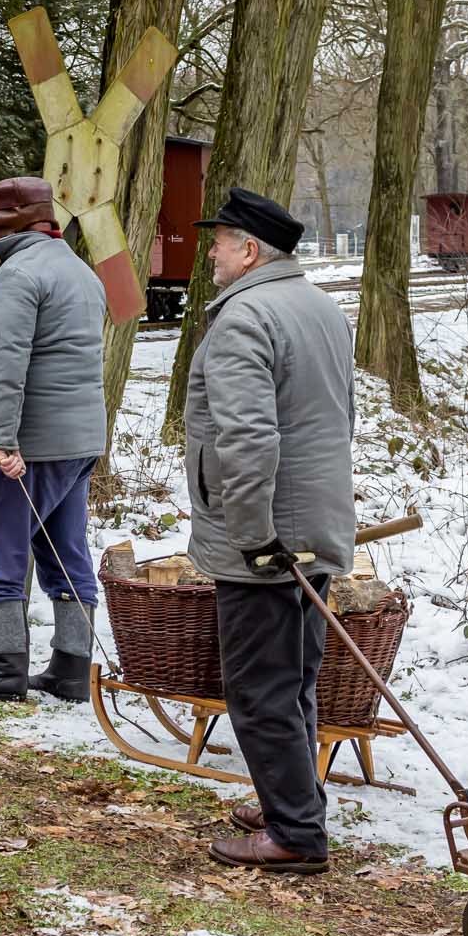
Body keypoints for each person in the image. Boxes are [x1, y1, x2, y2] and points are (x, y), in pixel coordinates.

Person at [183, 184, 356, 873]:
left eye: (218, 241)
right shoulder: (319, 307)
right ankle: (295, 797)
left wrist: (252, 534)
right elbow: (339, 419)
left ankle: (295, 832)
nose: (211, 252)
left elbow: (248, 440)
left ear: (249, 249)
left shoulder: (244, 318)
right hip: (316, 519)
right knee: (296, 674)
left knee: (258, 685)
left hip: (266, 532)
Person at [0, 175, 107, 702]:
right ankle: (72, 668)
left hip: (29, 443)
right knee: (66, 549)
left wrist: (1, 440)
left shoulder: (18, 274)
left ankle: (3, 668)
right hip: (80, 441)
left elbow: (5, 366)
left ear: (5, 222)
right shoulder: (80, 271)